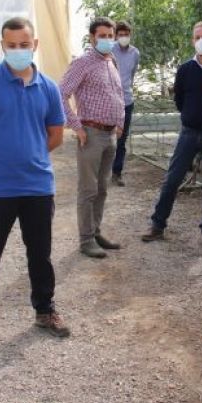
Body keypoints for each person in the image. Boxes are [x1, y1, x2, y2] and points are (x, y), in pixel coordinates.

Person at [0, 17, 70, 355]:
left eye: (25, 44)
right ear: (2, 46)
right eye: (12, 45)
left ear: (35, 45)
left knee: (41, 255)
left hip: (37, 186)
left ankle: (45, 310)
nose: (18, 50)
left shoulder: (48, 87)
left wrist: (30, 157)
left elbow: (55, 135)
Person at [141, 21, 202, 251]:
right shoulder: (185, 69)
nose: (201, 41)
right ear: (192, 41)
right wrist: (190, 115)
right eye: (197, 37)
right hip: (188, 132)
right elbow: (179, 100)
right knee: (172, 179)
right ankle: (158, 224)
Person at [60, 17, 126, 258]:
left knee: (102, 188)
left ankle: (96, 232)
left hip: (109, 135)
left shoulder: (111, 61)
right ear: (92, 38)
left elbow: (118, 93)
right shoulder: (83, 62)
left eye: (111, 35)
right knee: (88, 190)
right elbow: (61, 93)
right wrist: (76, 127)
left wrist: (119, 124)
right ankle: (86, 240)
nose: (108, 40)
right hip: (90, 133)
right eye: (103, 36)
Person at [111, 20, 140, 187]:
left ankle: (117, 172)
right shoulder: (109, 50)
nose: (123, 37)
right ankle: (102, 170)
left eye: (126, 34)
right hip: (110, 101)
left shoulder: (135, 53)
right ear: (116, 35)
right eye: (120, 34)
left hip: (127, 100)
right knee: (106, 137)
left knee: (122, 139)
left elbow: (132, 74)